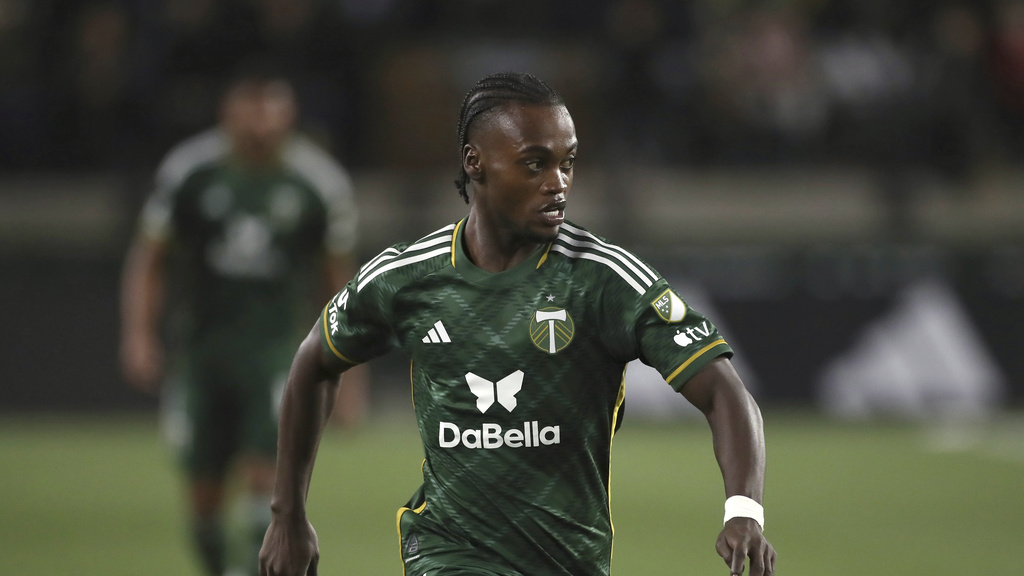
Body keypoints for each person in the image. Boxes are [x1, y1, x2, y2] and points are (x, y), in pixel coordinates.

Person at [259, 71, 776, 576]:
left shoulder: (603, 280)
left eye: (567, 163)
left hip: (569, 559)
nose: (558, 184)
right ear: (474, 163)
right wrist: (288, 514)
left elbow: (725, 392)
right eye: (535, 164)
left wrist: (744, 511)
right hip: (446, 551)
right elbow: (313, 364)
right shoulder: (409, 278)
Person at [119, 59, 366, 576]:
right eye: (250, 109)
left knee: (268, 482)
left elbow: (339, 283)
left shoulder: (317, 184)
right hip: (202, 353)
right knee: (204, 498)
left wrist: (350, 372)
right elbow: (151, 257)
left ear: (289, 114)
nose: (260, 122)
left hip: (277, 352)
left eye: (271, 109)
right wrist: (139, 333)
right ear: (228, 112)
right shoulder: (191, 172)